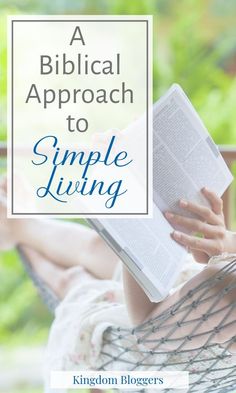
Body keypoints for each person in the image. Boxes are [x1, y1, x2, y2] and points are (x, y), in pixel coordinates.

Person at [0, 177, 236, 385]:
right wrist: (223, 243)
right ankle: (20, 224)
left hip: (168, 349)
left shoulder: (223, 293)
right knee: (96, 249)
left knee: (74, 282)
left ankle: (16, 230)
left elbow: (147, 329)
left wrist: (135, 232)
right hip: (197, 289)